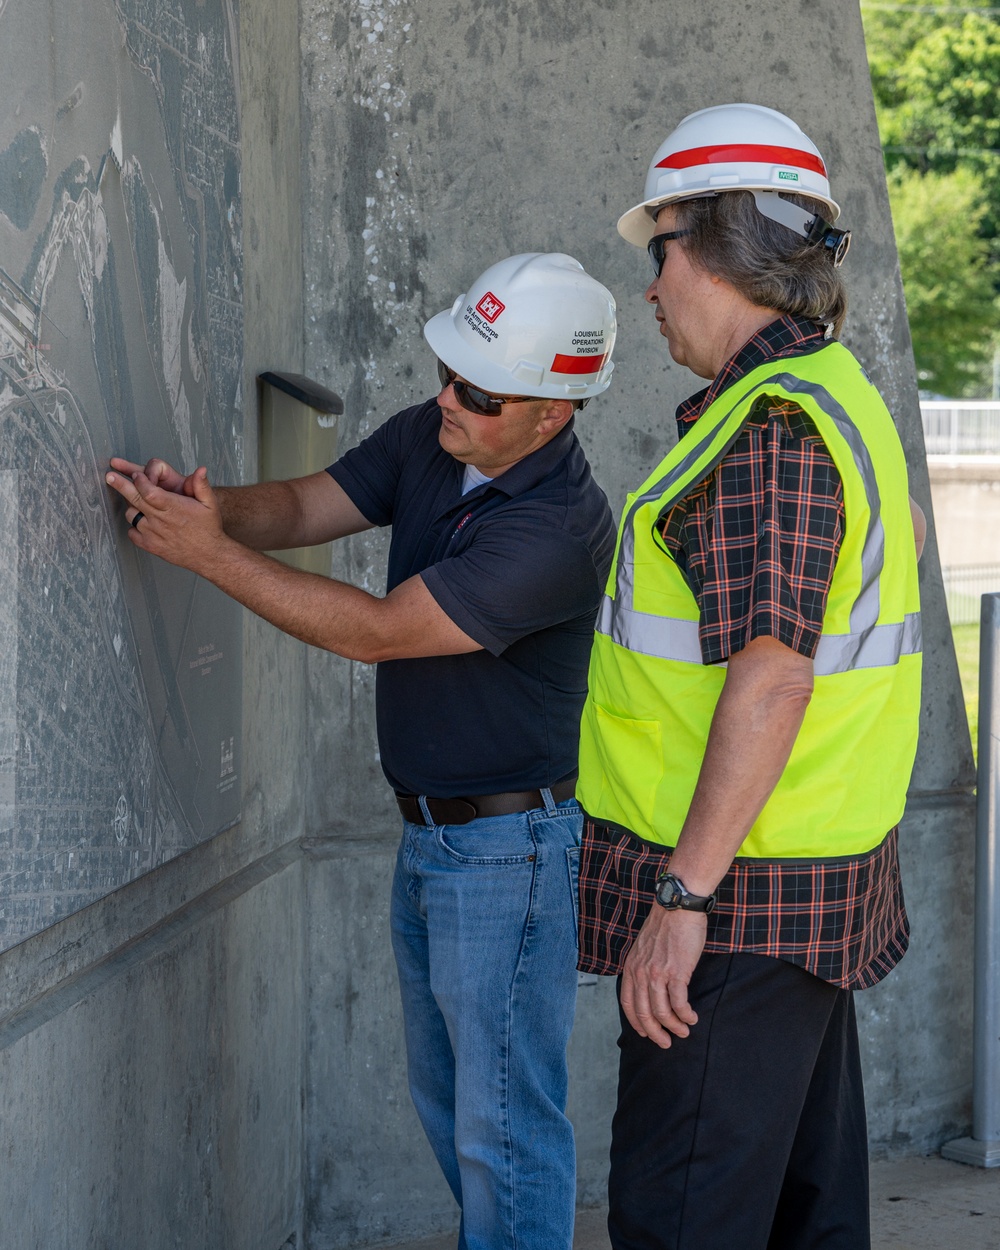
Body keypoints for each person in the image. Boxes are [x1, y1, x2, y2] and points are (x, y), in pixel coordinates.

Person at [105, 252, 618, 1250]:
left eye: (477, 388)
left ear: (552, 411)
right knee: (454, 1108)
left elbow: (381, 627)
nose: (448, 398)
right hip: (435, 842)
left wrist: (207, 555)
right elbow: (303, 507)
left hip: (511, 853)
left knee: (504, 1123)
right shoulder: (436, 438)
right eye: (448, 369)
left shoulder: (557, 528)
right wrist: (214, 514)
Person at [574, 104, 924, 1249]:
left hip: (732, 911)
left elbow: (771, 682)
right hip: (796, 894)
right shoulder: (832, 395)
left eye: (658, 249)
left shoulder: (771, 429)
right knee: (801, 1216)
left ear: (722, 245)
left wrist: (677, 902)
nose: (650, 285)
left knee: (688, 1218)